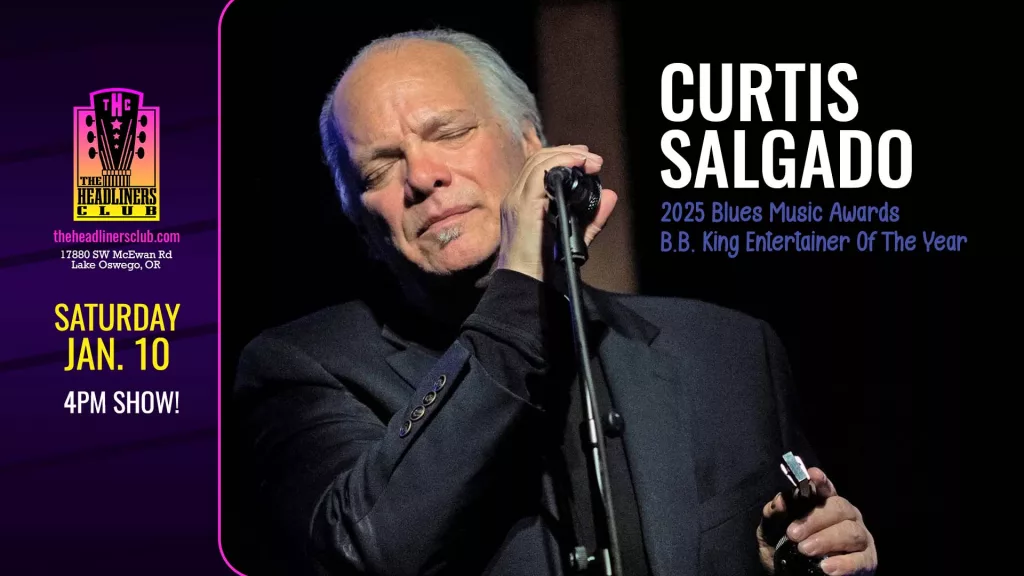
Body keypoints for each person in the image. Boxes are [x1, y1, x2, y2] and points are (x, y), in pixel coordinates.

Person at [233, 28, 878, 576]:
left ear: (531, 143)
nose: (423, 177)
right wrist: (519, 285)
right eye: (379, 170)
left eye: (449, 132)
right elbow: (369, 553)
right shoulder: (303, 368)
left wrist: (802, 560)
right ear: (359, 224)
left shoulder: (729, 350)